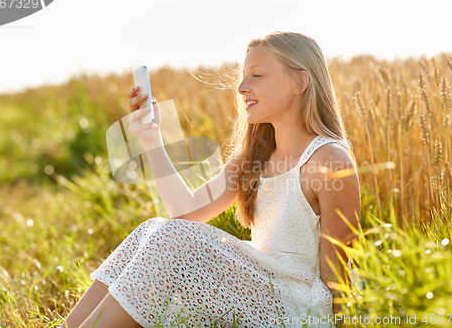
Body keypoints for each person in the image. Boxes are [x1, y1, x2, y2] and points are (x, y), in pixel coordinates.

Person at [59, 31, 360, 328]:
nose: (242, 87)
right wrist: (150, 139)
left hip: (296, 308)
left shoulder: (329, 160)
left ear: (300, 82)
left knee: (172, 237)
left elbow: (337, 270)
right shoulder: (252, 158)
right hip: (259, 288)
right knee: (151, 229)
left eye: (257, 75)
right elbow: (186, 214)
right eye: (244, 76)